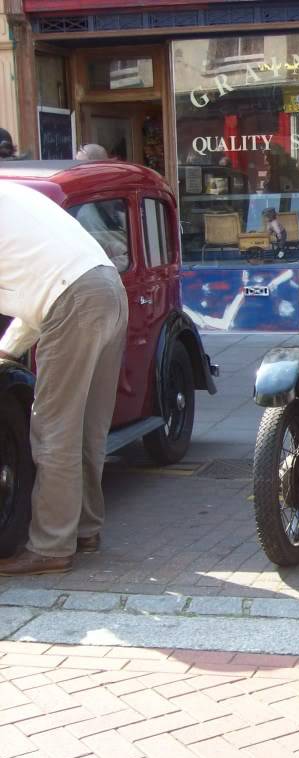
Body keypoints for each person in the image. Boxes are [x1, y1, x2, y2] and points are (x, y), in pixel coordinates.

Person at [0, 183, 128, 576]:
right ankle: (85, 529)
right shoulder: (15, 195)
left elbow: (47, 289)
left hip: (72, 300)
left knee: (54, 428)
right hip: (106, 288)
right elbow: (37, 284)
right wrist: (8, 349)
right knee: (88, 427)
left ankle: (51, 546)